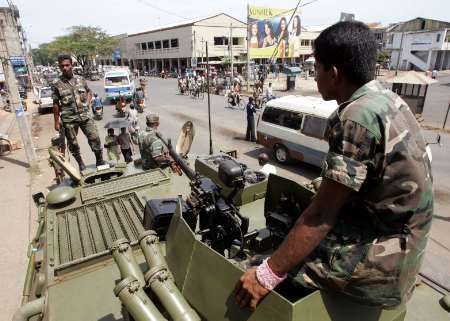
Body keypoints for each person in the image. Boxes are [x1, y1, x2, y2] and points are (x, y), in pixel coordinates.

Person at [235, 21, 433, 311]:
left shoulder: (356, 118)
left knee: (274, 259)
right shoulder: (386, 98)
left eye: (316, 69)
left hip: (389, 267)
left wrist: (266, 273)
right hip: (405, 244)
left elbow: (321, 216)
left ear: (334, 74)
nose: (314, 76)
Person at [51, 54, 104, 171]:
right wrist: (56, 121)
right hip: (69, 119)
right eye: (62, 66)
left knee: (94, 137)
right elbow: (55, 103)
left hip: (85, 116)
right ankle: (80, 163)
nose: (65, 68)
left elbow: (89, 91)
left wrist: (88, 103)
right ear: (59, 67)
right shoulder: (56, 83)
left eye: (67, 65)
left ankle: (99, 160)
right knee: (73, 144)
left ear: (72, 65)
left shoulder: (80, 79)